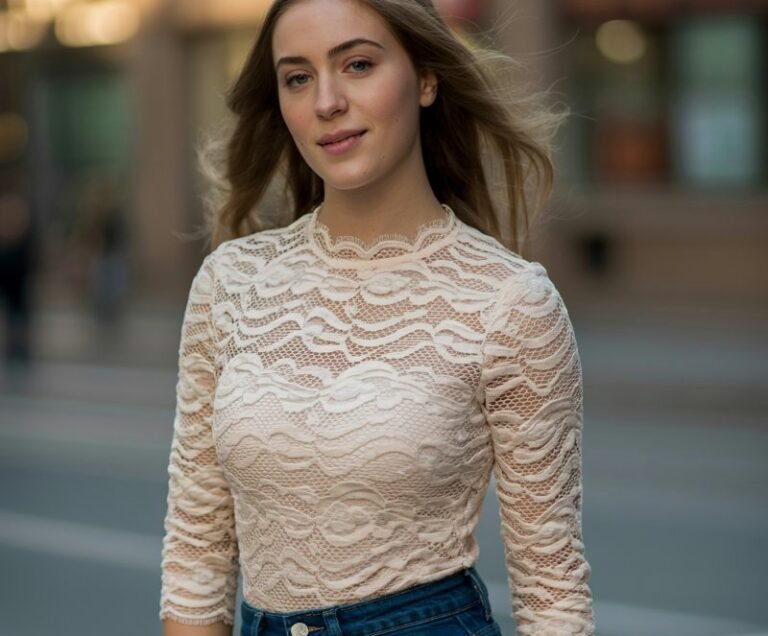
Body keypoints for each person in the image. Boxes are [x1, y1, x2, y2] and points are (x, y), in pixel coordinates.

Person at [159, 0, 595, 635]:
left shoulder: (510, 301)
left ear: (424, 78)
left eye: (357, 64)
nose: (327, 101)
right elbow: (196, 546)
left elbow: (553, 591)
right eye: (298, 77)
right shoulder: (231, 283)